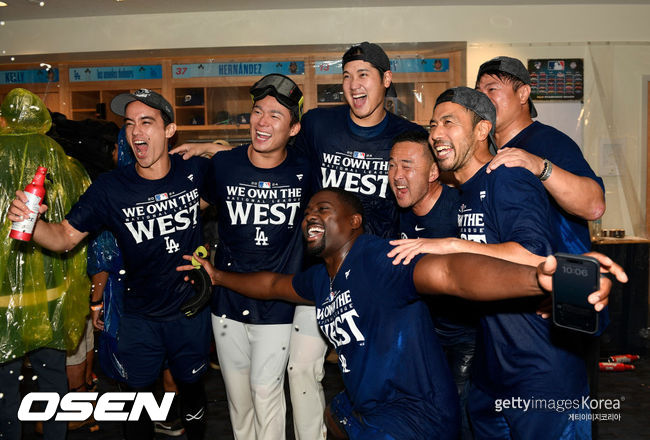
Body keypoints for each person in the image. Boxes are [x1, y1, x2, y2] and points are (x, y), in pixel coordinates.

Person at [178, 187, 622, 440]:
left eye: (323, 209)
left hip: (415, 415)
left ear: (353, 222)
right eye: (307, 211)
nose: (310, 215)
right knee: (336, 414)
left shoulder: (376, 259)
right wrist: (218, 277)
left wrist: (537, 280)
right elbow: (273, 285)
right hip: (368, 404)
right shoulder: (321, 279)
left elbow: (450, 272)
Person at [389, 87, 612, 439]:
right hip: (492, 373)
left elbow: (533, 256)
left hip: (541, 373)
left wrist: (447, 246)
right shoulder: (464, 193)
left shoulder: (506, 176)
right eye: (433, 125)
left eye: (449, 122)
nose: (435, 134)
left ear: (482, 130)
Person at [6, 88, 211, 440]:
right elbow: (64, 238)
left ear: (170, 129)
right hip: (138, 318)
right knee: (139, 406)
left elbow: (230, 188)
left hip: (188, 313)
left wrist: (208, 258)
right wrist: (32, 223)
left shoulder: (195, 171)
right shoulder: (110, 188)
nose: (135, 132)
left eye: (147, 122)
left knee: (192, 394)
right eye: (130, 123)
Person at [286, 42, 429, 438]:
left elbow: (430, 189)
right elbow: (283, 157)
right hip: (322, 271)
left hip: (378, 277)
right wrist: (220, 151)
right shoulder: (318, 124)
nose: (353, 85)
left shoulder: (409, 135)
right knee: (300, 367)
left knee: (378, 380)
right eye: (346, 76)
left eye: (363, 74)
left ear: (386, 80)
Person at [198, 73, 311, 439]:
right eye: (257, 112)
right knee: (239, 400)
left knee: (266, 392)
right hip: (226, 301)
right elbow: (198, 205)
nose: (262, 122)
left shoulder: (306, 170)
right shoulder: (224, 165)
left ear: (293, 128)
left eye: (276, 115)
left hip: (277, 304)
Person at [388, 129, 476, 439]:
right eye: (392, 164)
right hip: (423, 338)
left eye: (408, 165)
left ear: (434, 172)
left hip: (468, 339)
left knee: (462, 419)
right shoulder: (398, 213)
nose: (397, 175)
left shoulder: (460, 210)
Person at [475, 56, 605, 253]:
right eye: (479, 92)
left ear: (523, 94)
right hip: (509, 274)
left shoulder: (550, 142)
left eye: (492, 89)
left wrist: (540, 167)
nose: (482, 99)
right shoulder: (485, 150)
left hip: (559, 275)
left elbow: (594, 206)